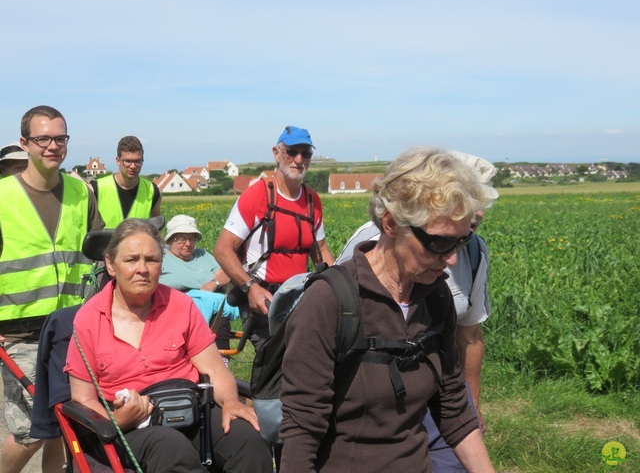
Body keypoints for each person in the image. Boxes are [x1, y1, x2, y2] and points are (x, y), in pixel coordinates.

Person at [279, 148, 497, 472]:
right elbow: (302, 433)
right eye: (439, 243)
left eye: (460, 242)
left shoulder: (436, 301)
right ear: (392, 223)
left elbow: (453, 410)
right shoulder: (329, 302)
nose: (451, 258)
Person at [64, 219, 272, 472]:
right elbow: (83, 398)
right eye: (131, 260)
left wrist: (230, 401)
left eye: (151, 260)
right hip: (130, 427)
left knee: (248, 439)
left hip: (188, 411)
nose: (142, 269)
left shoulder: (181, 305)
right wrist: (117, 420)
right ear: (111, 264)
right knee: (171, 447)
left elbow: (216, 370)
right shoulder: (88, 319)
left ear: (161, 265)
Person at [0, 105, 104, 473]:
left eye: (60, 138)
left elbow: (101, 253)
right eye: (42, 138)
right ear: (26, 143)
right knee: (31, 430)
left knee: (64, 425)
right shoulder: (2, 197)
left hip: (71, 331)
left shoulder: (82, 191)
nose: (52, 146)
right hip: (18, 334)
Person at [214, 126, 334, 350]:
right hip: (263, 297)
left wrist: (340, 286)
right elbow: (222, 249)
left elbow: (322, 250)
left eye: (305, 153)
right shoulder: (257, 195)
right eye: (291, 152)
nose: (298, 159)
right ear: (276, 153)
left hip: (299, 296)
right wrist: (250, 288)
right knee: (276, 364)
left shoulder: (311, 200)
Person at [159, 214, 238, 357]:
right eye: (182, 239)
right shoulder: (161, 257)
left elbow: (226, 273)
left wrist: (213, 283)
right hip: (174, 306)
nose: (188, 244)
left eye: (192, 238)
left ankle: (221, 362)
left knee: (219, 319)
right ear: (170, 240)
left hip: (210, 305)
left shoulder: (203, 255)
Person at [91, 135, 161, 228]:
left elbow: (156, 229)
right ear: (117, 161)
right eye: (128, 161)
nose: (133, 166)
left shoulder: (153, 192)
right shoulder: (96, 189)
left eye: (137, 161)